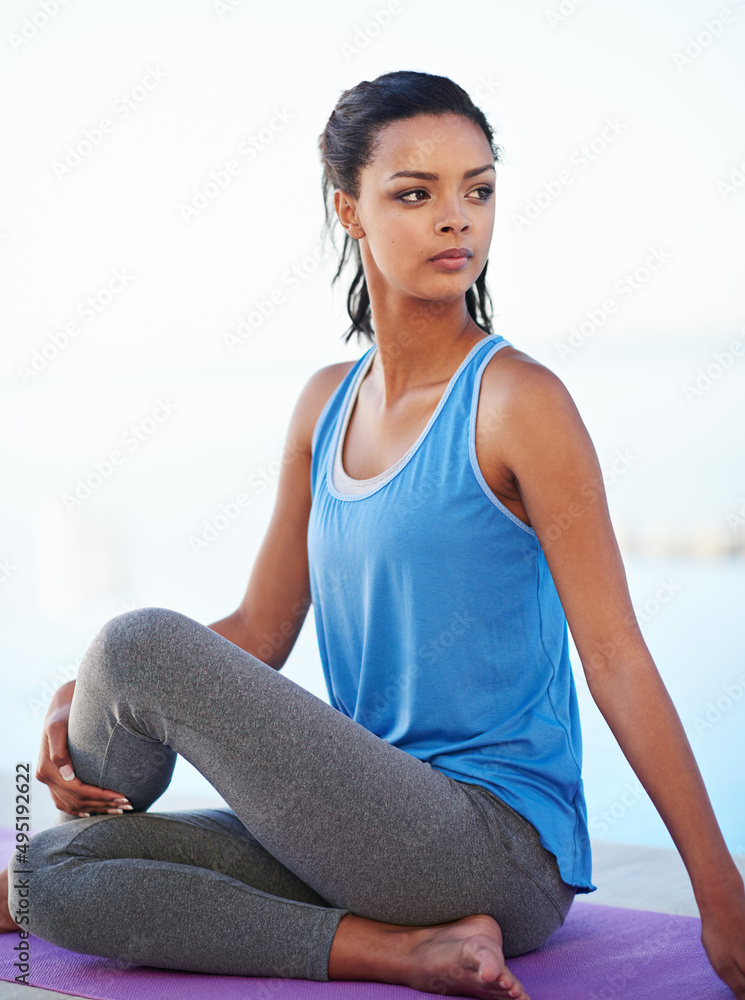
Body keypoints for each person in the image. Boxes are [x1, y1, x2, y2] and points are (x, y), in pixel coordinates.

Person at [4, 69, 745, 1000]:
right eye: (414, 193)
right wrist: (92, 704)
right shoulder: (324, 406)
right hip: (360, 841)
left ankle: (423, 925)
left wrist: (720, 889)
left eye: (477, 190)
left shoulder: (519, 404)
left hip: (493, 850)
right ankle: (401, 953)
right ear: (348, 211)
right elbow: (260, 633)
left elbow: (617, 656)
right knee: (45, 879)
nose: (457, 220)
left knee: (138, 641)